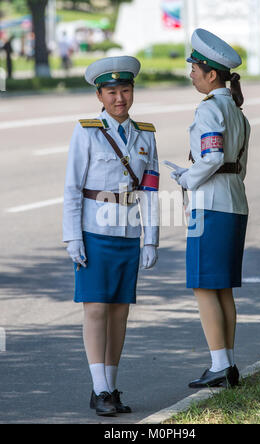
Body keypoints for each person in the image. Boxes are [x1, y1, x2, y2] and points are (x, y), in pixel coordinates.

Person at [63, 56, 160, 416]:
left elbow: (150, 189)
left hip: (128, 232)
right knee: (97, 309)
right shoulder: (86, 130)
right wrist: (73, 237)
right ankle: (99, 388)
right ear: (100, 96)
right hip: (93, 231)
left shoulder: (146, 134)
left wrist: (151, 238)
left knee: (119, 311)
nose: (120, 98)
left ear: (132, 91)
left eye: (126, 89)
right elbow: (73, 187)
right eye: (112, 92)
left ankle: (111, 387)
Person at [167, 28, 250, 389]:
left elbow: (213, 156)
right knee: (223, 289)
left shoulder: (209, 109)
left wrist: (187, 179)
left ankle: (219, 365)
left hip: (211, 206)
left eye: (195, 68)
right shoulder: (236, 112)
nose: (191, 74)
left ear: (211, 74)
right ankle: (227, 365)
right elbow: (238, 165)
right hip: (234, 202)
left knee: (204, 287)